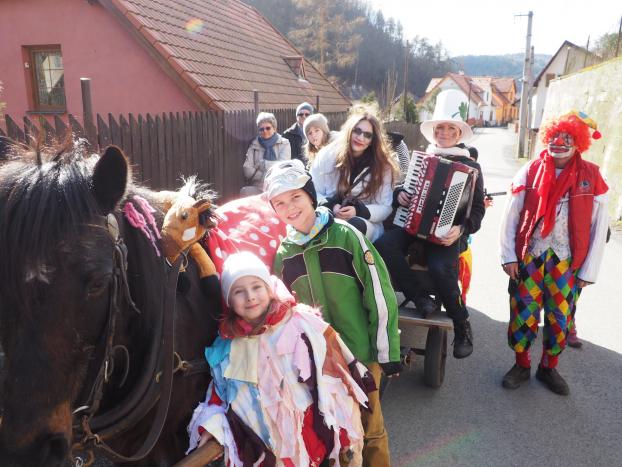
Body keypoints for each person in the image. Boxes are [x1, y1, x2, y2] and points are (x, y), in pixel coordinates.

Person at [266, 160, 401, 467]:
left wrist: (387, 350)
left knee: (370, 428)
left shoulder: (346, 236)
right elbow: (284, 315)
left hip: (361, 354)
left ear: (311, 196)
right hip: (319, 364)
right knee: (334, 433)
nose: (290, 208)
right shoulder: (284, 254)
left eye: (296, 197)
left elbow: (379, 293)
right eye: (280, 203)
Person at [187, 251, 372, 466]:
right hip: (266, 452)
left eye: (256, 286)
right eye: (238, 291)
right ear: (229, 300)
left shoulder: (301, 325)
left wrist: (345, 436)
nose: (250, 297)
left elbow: (336, 382)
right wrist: (212, 426)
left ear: (269, 288)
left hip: (313, 444)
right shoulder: (227, 346)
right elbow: (221, 394)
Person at [499, 111, 609, 396]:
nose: (559, 142)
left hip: (566, 261)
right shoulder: (530, 170)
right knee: (523, 312)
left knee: (560, 318)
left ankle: (548, 367)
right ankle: (522, 364)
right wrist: (509, 255)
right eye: (555, 136)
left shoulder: (592, 175)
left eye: (568, 138)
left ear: (579, 142)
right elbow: (511, 214)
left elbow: (599, 227)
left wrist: (588, 270)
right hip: (531, 256)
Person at [374, 96, 485, 360]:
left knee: (440, 267)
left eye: (450, 129)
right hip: (414, 225)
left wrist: (462, 229)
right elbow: (403, 189)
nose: (444, 133)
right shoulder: (423, 158)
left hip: (447, 233)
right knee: (383, 246)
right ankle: (420, 297)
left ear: (459, 133)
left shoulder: (471, 167)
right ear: (433, 132)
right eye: (439, 128)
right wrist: (400, 195)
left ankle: (461, 324)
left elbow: (478, 210)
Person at [310, 107, 398, 243]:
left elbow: (385, 207)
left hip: (364, 222)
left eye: (367, 135)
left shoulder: (383, 166)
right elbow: (313, 191)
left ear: (373, 140)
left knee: (350, 227)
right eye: (357, 131)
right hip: (327, 215)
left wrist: (358, 211)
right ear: (349, 130)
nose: (361, 137)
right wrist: (332, 206)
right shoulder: (327, 155)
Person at [241, 112, 291, 196]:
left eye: (268, 128)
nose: (265, 131)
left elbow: (283, 166)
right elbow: (247, 170)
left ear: (274, 128)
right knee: (244, 192)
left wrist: (264, 164)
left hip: (278, 186)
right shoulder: (254, 144)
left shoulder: (284, 143)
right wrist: (264, 176)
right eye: (261, 129)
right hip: (258, 186)